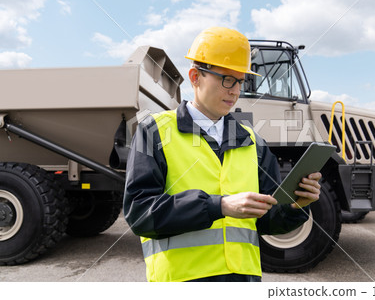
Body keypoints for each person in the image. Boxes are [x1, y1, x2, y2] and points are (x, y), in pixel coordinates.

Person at [123, 27, 322, 282]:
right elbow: (140, 213)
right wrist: (220, 206)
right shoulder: (156, 132)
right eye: (227, 79)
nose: (235, 91)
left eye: (240, 81)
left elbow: (267, 221)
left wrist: (297, 206)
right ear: (195, 77)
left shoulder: (253, 142)